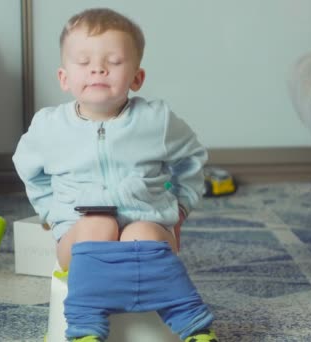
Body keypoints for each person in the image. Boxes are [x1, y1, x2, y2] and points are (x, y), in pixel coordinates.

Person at [13, 8, 218, 342]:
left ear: (137, 78)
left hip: (148, 226)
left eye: (114, 60)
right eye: (83, 61)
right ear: (64, 78)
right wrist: (51, 213)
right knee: (99, 224)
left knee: (141, 234)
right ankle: (84, 327)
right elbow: (29, 171)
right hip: (77, 236)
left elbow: (192, 159)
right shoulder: (48, 127)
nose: (98, 68)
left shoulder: (157, 120)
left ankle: (192, 324)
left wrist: (180, 208)